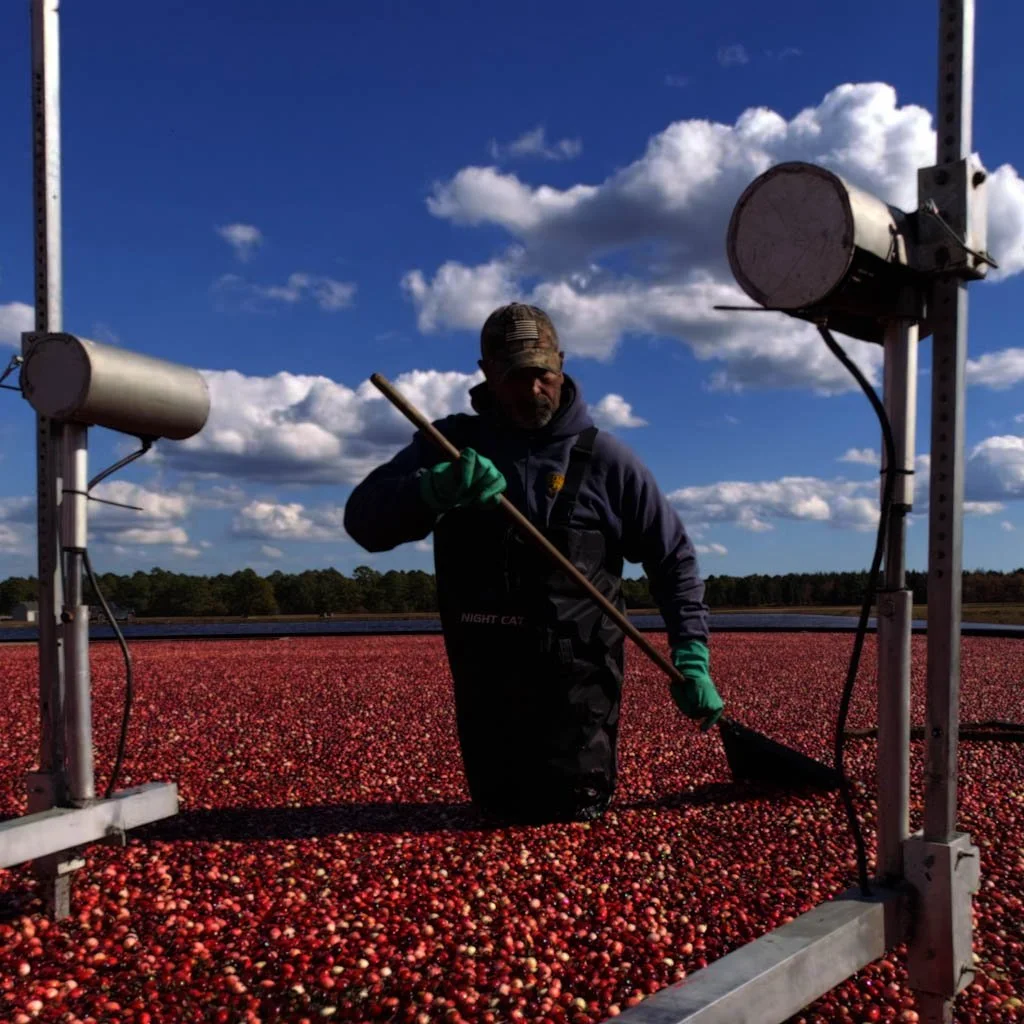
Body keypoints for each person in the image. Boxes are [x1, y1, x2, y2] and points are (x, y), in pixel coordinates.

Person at [343, 303, 723, 825]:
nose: (531, 390)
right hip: (487, 690)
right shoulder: (450, 447)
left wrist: (692, 654)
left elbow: (672, 559)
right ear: (487, 375)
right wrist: (433, 490)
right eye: (514, 377)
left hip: (579, 693)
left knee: (574, 817)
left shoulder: (608, 461)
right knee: (494, 816)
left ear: (561, 365)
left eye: (541, 374)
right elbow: (362, 522)